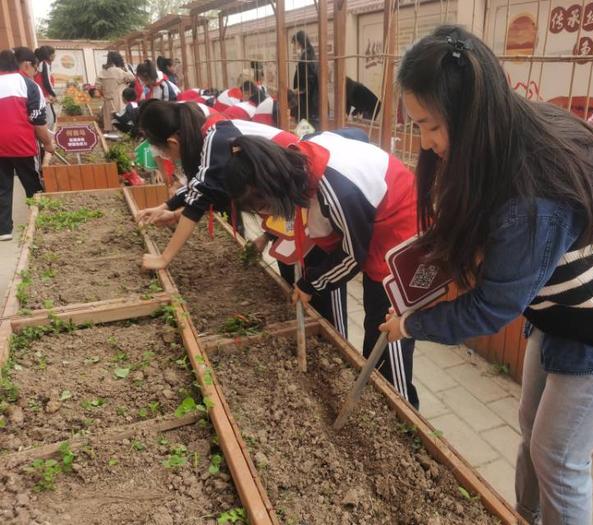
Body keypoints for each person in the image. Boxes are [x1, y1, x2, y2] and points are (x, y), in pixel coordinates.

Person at [378, 25, 593, 524]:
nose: (425, 144)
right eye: (418, 126)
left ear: (470, 113)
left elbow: (494, 305)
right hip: (567, 308)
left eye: (431, 126)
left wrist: (410, 326)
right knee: (530, 428)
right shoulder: (504, 132)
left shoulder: (529, 193)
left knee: (558, 457)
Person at [223, 131, 420, 408]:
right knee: (373, 326)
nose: (266, 215)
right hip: (369, 223)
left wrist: (310, 284)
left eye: (265, 206)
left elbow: (352, 258)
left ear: (273, 184)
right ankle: (372, 395)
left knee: (386, 330)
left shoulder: (339, 191)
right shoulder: (292, 159)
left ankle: (404, 414)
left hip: (400, 231)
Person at [134, 101, 348, 336]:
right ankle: (309, 323)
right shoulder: (210, 136)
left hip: (307, 195)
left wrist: (164, 258)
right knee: (293, 270)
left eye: (165, 152)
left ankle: (334, 335)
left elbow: (199, 200)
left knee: (321, 273)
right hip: (287, 205)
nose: (169, 157)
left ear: (173, 142)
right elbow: (204, 186)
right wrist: (169, 207)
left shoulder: (215, 139)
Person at [0, 49, 54, 241]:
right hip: (22, 143)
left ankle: (4, 229)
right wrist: (48, 143)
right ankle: (41, 219)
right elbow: (38, 121)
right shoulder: (28, 85)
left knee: (2, 187)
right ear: (18, 64)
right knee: (31, 182)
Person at [96, 51, 134, 132]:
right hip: (119, 100)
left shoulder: (102, 72)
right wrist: (126, 69)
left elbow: (98, 88)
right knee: (120, 122)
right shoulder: (119, 71)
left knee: (109, 124)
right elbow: (132, 78)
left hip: (107, 102)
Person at [291, 31, 319, 126]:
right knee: (308, 129)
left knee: (305, 130)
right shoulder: (310, 54)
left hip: (309, 102)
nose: (294, 47)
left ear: (298, 42)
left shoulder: (306, 56)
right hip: (311, 101)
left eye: (294, 44)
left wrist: (298, 91)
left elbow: (309, 80)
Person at [34, 45, 57, 129]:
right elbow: (47, 82)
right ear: (49, 55)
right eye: (54, 54)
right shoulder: (44, 64)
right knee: (49, 120)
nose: (55, 56)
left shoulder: (43, 64)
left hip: (44, 96)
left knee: (50, 118)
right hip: (44, 96)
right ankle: (46, 140)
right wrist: (54, 94)